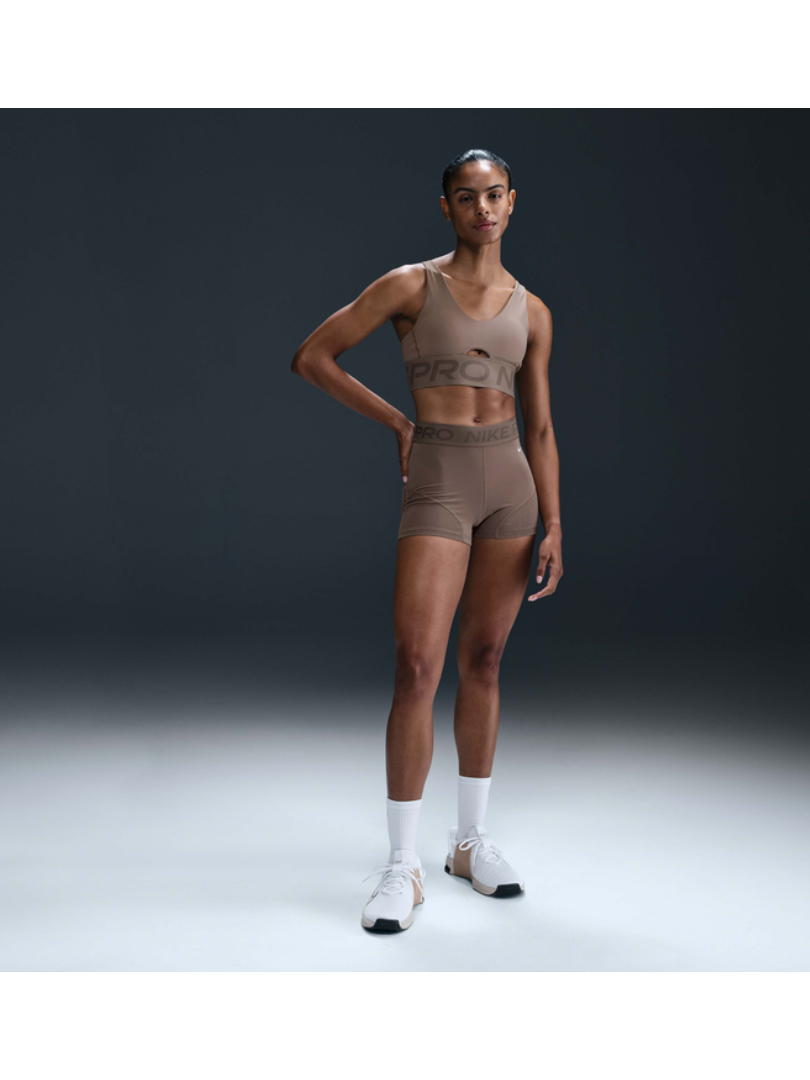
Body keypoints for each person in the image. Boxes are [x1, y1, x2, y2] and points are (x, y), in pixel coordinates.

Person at [291, 148, 563, 933]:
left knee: (485, 661)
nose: (484, 209)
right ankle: (402, 863)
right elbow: (312, 357)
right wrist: (397, 422)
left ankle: (469, 844)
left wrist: (554, 520)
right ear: (447, 207)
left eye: (495, 195)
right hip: (439, 480)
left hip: (510, 487)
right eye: (467, 197)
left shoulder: (533, 310)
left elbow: (541, 427)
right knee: (416, 667)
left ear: (513, 202)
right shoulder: (412, 285)